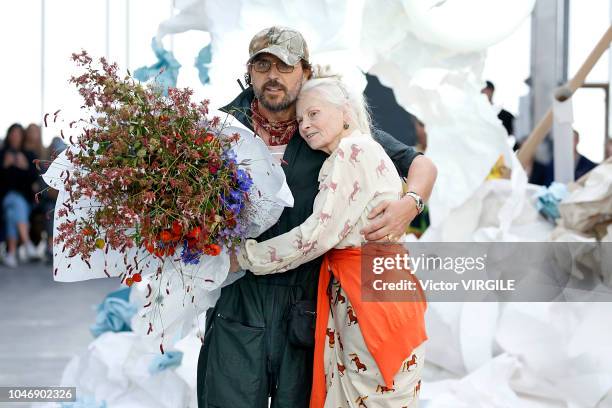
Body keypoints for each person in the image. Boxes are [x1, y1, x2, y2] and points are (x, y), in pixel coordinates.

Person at [197, 26, 437, 408]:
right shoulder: (221, 128)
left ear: (304, 72)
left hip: (307, 301)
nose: (273, 75)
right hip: (240, 300)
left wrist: (411, 204)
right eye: (263, 65)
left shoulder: (332, 126)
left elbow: (420, 164)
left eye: (285, 66)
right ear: (249, 71)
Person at [0, 124, 39, 268]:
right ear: (9, 135)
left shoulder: (28, 155)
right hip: (5, 199)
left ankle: (11, 254)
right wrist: (4, 165)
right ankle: (27, 243)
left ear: (22, 136)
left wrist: (25, 167)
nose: (15, 136)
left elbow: (34, 180)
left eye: (18, 133)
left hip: (26, 201)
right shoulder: (2, 154)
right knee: (13, 200)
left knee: (12, 212)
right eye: (13, 133)